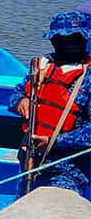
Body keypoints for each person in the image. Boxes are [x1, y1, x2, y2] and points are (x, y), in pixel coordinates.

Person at [9, 10, 91, 197]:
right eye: (64, 40)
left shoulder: (88, 77)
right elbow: (16, 94)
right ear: (54, 41)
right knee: (23, 209)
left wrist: (55, 142)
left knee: (54, 214)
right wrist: (21, 101)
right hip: (30, 161)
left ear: (85, 40)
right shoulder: (42, 66)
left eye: (75, 39)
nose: (70, 45)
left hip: (68, 170)